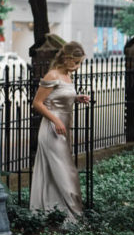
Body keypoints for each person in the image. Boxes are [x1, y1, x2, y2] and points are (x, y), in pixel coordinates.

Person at [30, 41, 90, 220]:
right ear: (67, 59)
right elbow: (37, 103)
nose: (78, 66)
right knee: (67, 171)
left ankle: (54, 211)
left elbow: (60, 97)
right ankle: (75, 214)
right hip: (52, 130)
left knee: (56, 170)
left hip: (64, 129)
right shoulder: (52, 75)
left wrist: (77, 98)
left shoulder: (67, 76)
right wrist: (55, 120)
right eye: (76, 62)